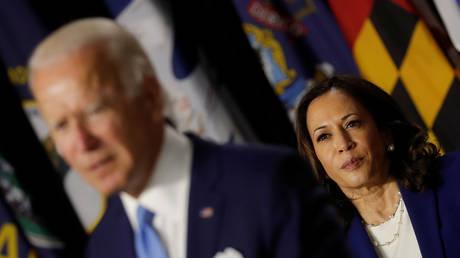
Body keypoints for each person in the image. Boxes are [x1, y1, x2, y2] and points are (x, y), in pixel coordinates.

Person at [28, 17, 348, 258]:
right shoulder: (103, 248)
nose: (82, 143)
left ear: (151, 97)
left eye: (95, 110)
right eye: (61, 126)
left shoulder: (267, 186)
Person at [295, 74, 460, 258]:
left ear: (385, 132)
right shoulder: (325, 247)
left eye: (352, 124)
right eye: (324, 136)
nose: (343, 144)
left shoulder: (454, 177)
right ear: (317, 159)